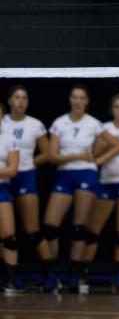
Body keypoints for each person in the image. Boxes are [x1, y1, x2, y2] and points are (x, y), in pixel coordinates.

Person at [42, 84, 104, 293]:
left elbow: (111, 145)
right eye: (74, 97)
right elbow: (52, 156)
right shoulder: (60, 123)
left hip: (86, 173)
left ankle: (75, 275)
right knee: (50, 224)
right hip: (65, 174)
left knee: (79, 227)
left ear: (87, 101)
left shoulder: (94, 124)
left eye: (81, 98)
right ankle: (52, 273)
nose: (78, 101)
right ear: (70, 99)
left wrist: (96, 158)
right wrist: (77, 155)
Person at [82, 94, 119, 292]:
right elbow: (95, 155)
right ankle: (83, 272)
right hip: (106, 182)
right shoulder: (104, 129)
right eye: (116, 107)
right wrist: (110, 144)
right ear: (112, 109)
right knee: (93, 231)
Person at [3, 86, 50, 287]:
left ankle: (49, 275)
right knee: (6, 232)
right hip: (3, 178)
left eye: (24, 98)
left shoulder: (35, 125)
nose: (21, 101)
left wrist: (29, 163)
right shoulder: (2, 122)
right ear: (9, 100)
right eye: (17, 97)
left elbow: (47, 153)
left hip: (25, 176)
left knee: (32, 229)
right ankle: (9, 276)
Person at [0, 103, 21, 294]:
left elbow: (13, 169)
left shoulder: (8, 138)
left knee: (9, 235)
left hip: (2, 188)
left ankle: (11, 280)